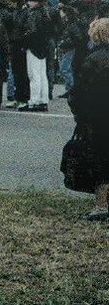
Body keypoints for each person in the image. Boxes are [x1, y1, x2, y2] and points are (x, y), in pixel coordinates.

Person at [68, 18, 109, 220]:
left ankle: (101, 206)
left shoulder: (93, 59)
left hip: (98, 116)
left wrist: (79, 114)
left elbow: (81, 92)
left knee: (100, 161)